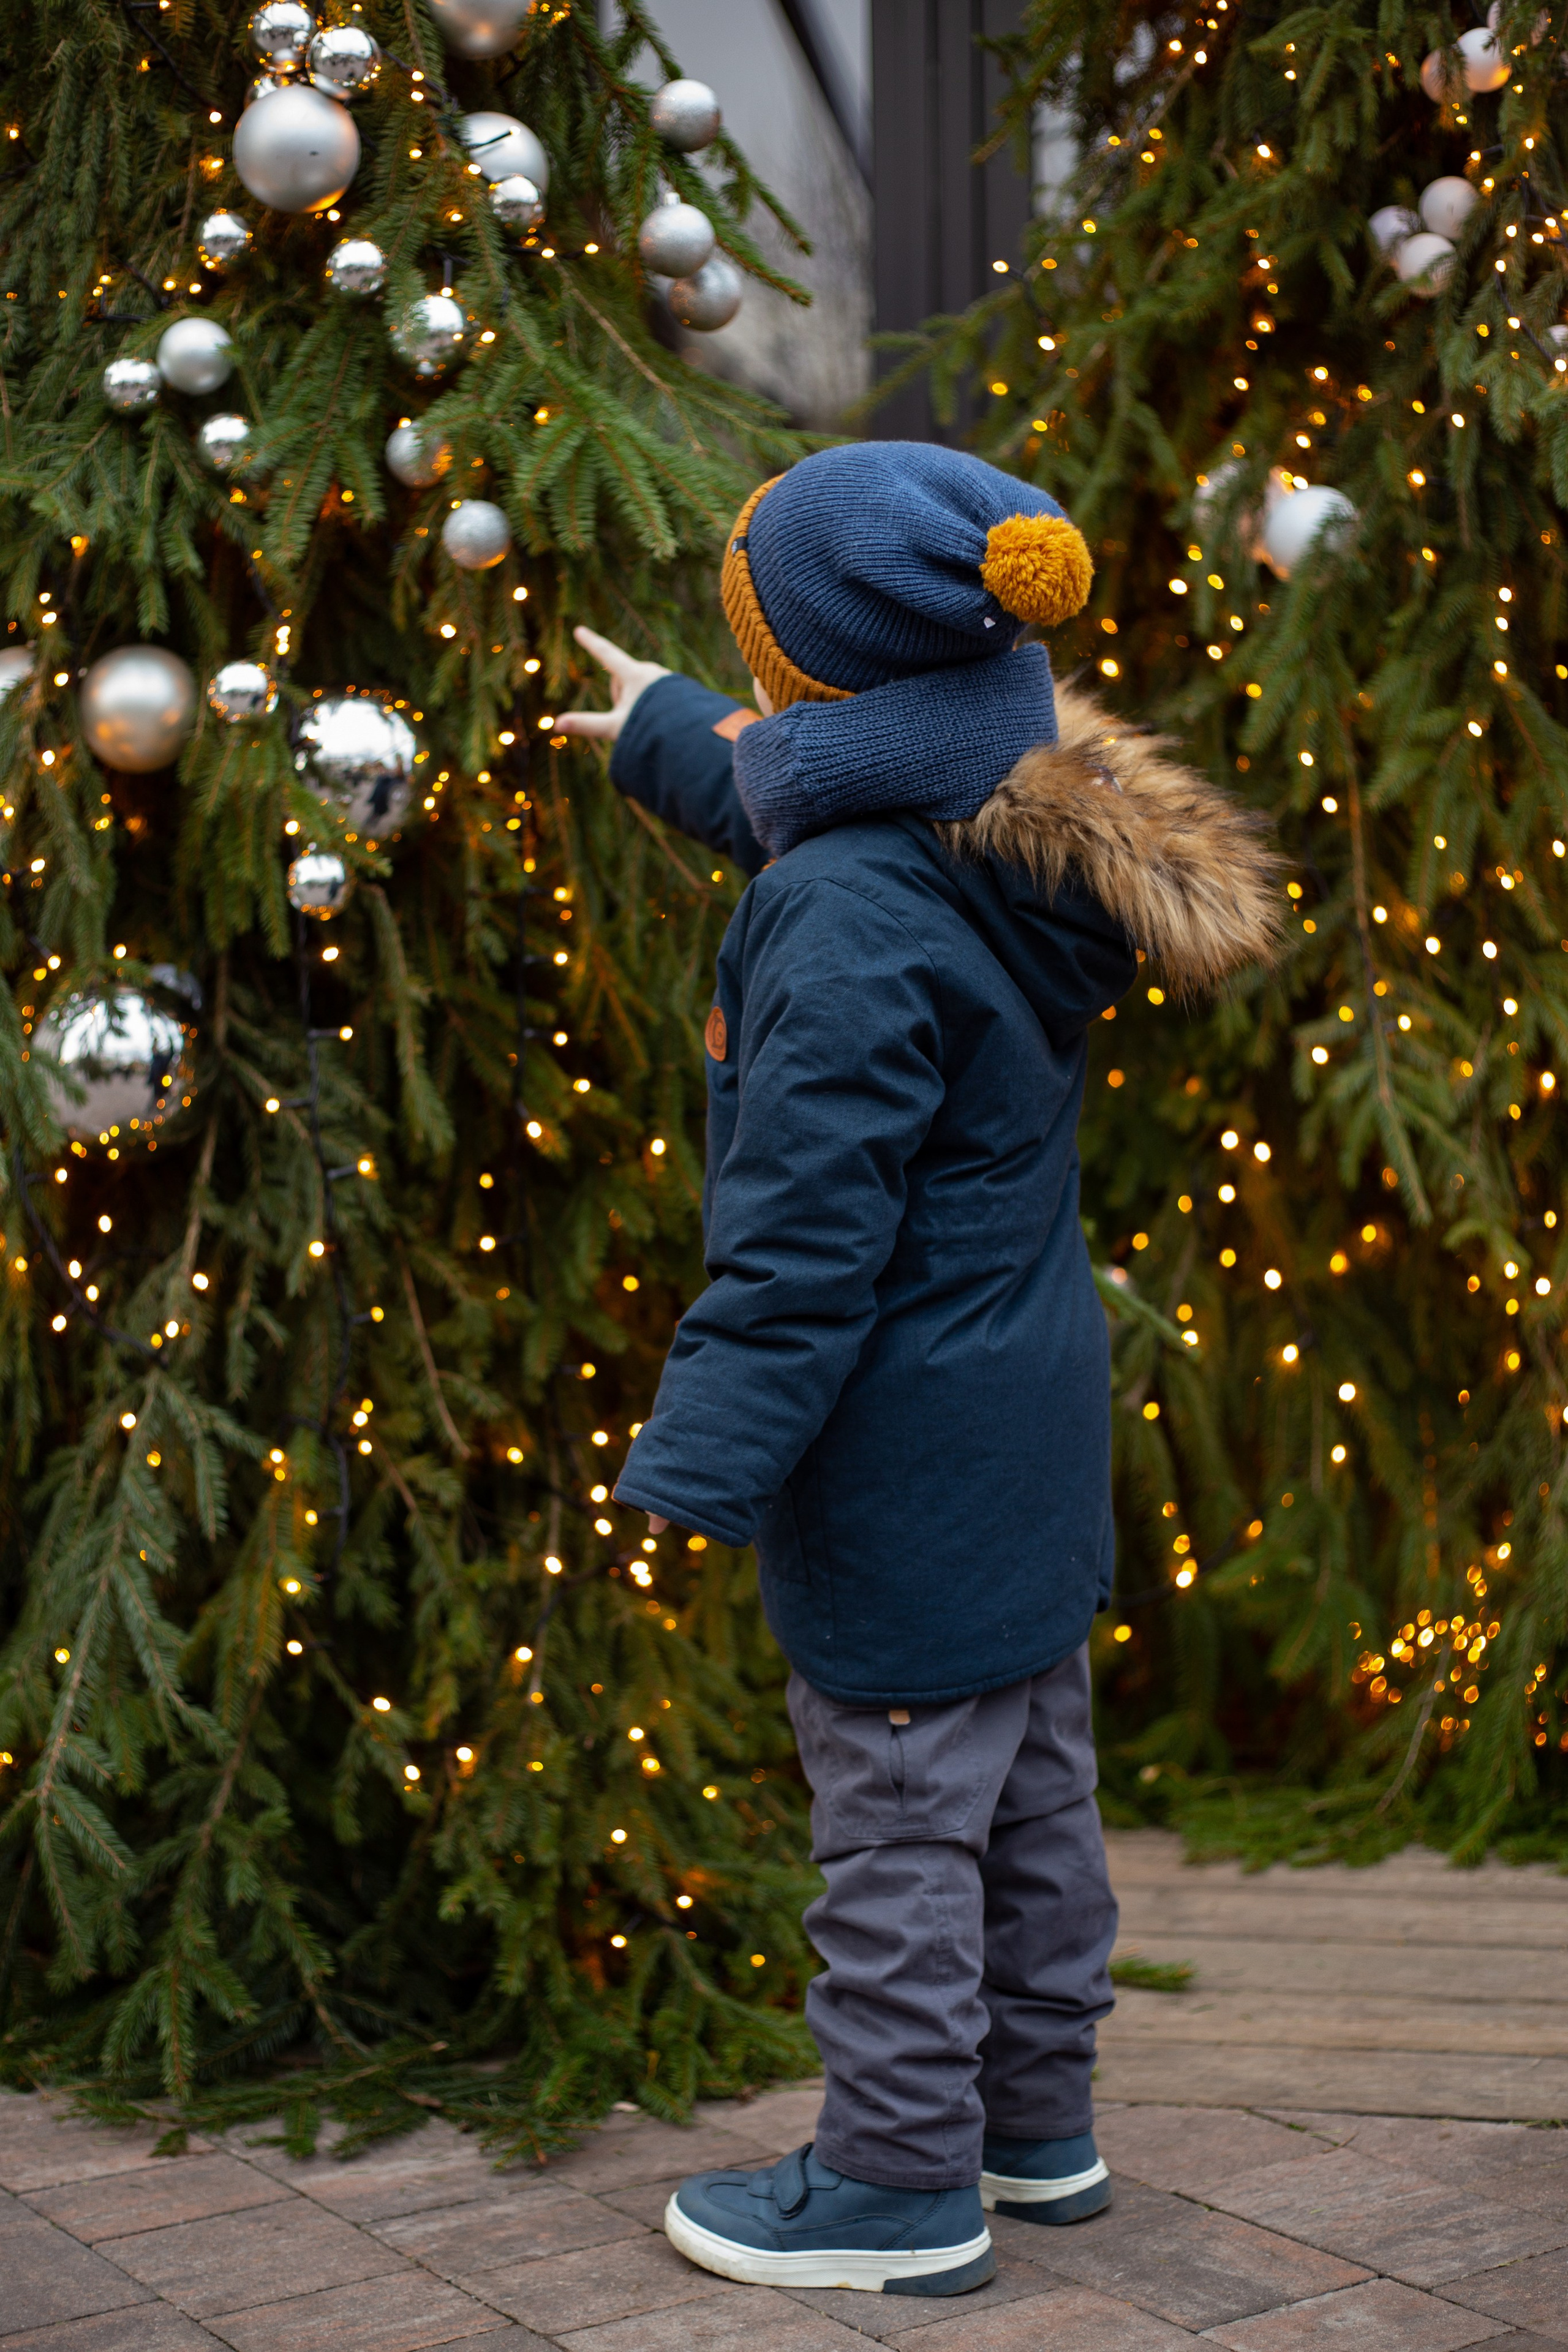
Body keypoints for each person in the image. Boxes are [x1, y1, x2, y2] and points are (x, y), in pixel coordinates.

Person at [559, 442, 1278, 2299]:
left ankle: (895, 2185)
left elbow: (804, 1246)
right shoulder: (1004, 821)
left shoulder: (843, 913)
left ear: (816, 684)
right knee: (1033, 1793)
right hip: (1029, 1423)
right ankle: (1036, 2133)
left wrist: (693, 1471)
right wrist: (663, 726)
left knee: (895, 1824)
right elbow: (825, 811)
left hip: (902, 1449)